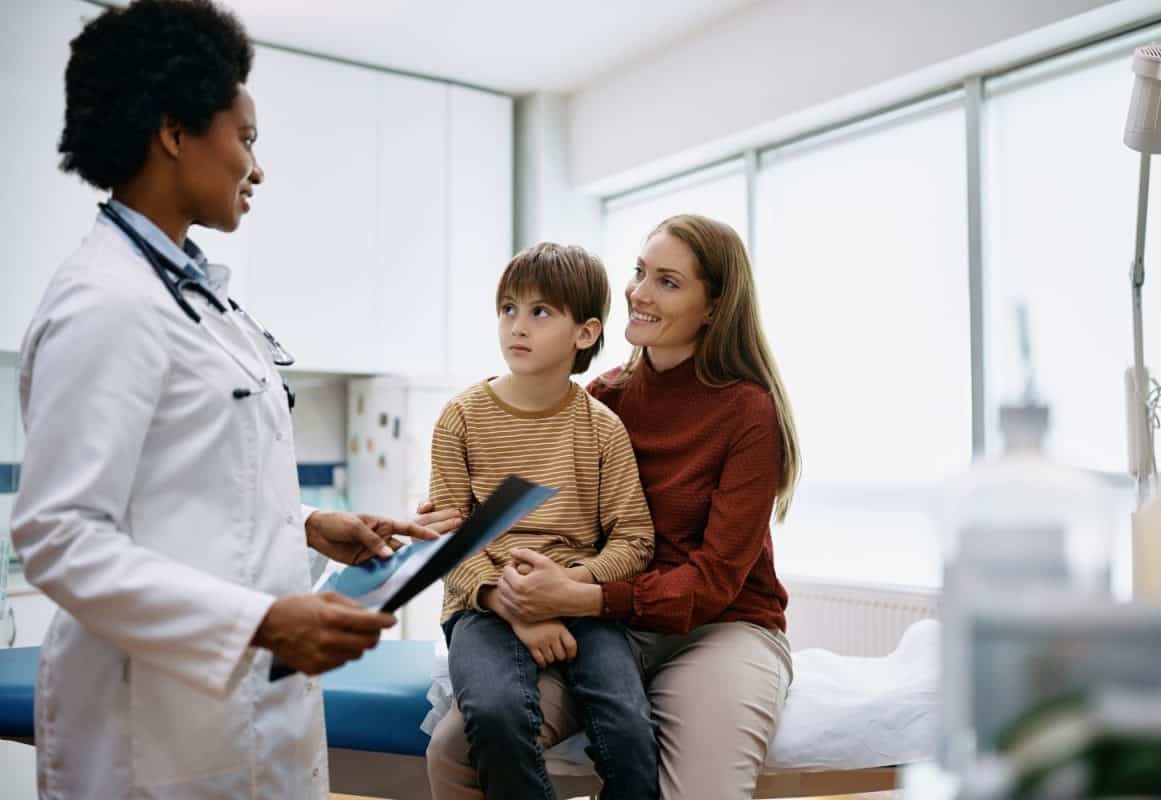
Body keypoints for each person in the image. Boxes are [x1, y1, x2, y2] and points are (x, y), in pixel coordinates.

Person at [10, 2, 459, 797]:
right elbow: (59, 536)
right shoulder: (107, 304)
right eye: (246, 138)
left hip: (240, 712)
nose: (258, 167)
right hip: (152, 735)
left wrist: (313, 527)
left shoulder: (194, 298)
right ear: (174, 131)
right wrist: (258, 622)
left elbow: (193, 489)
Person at [427, 214, 802, 800]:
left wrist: (577, 595)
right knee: (458, 749)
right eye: (639, 272)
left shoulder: (748, 413)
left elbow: (713, 583)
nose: (639, 293)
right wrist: (448, 522)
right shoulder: (601, 399)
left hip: (719, 627)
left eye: (668, 282)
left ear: (714, 307)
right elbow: (502, 502)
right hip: (608, 621)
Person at [428, 242, 659, 800]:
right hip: (481, 606)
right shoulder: (460, 418)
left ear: (584, 333)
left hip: (577, 600)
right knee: (495, 711)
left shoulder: (602, 428)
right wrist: (516, 602)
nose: (517, 326)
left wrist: (565, 588)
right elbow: (449, 539)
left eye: (540, 312)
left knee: (629, 728)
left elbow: (634, 539)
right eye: (508, 309)